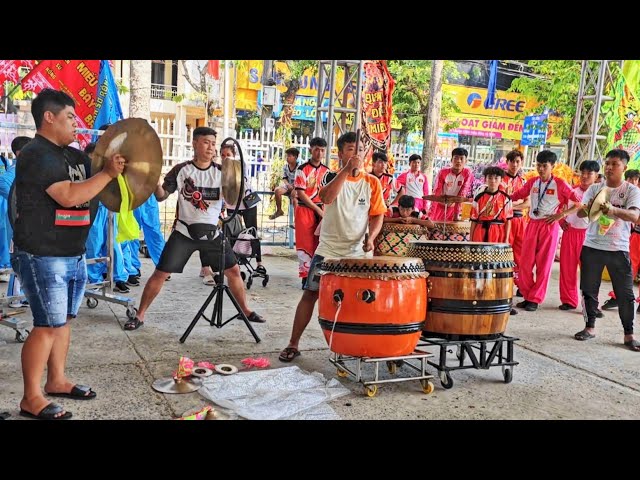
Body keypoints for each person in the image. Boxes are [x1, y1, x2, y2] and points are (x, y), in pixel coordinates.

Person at [11, 88, 124, 419]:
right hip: (43, 254)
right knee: (46, 324)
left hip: (72, 251)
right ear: (49, 117)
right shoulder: (35, 154)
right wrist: (106, 173)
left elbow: (102, 182)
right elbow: (68, 196)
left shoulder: (74, 156)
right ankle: (31, 398)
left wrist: (117, 162)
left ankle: (57, 379)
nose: (77, 123)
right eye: (70, 117)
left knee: (63, 322)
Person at [124, 126, 265, 330]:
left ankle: (245, 310)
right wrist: (154, 182)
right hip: (184, 232)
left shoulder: (222, 172)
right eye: (206, 142)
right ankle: (140, 315)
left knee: (233, 271)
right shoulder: (181, 170)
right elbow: (161, 196)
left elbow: (235, 198)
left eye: (213, 144)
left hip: (212, 233)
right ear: (195, 144)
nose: (211, 148)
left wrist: (235, 175)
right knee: (160, 273)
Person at [279, 131, 387, 362]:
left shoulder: (373, 183)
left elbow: (378, 215)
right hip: (328, 250)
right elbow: (326, 198)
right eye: (351, 149)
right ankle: (293, 343)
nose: (356, 153)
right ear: (340, 153)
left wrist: (372, 237)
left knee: (362, 299)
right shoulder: (329, 176)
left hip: (358, 252)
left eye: (360, 149)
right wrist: (347, 171)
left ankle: (359, 345)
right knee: (310, 294)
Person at [574, 149, 640, 352]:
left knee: (626, 294)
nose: (610, 167)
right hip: (592, 245)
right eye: (608, 163)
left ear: (624, 167)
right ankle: (589, 327)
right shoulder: (595, 188)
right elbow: (580, 212)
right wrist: (590, 207)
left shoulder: (631, 191)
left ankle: (629, 334)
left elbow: (634, 216)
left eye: (615, 164)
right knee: (588, 290)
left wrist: (613, 210)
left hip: (618, 248)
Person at [510, 150, 581, 312]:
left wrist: (561, 215)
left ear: (552, 166)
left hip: (549, 226)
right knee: (525, 263)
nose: (541, 169)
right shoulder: (532, 182)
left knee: (544, 263)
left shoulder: (561, 184)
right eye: (538, 165)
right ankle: (527, 295)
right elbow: (518, 195)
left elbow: (578, 202)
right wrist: (499, 193)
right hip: (532, 224)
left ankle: (535, 299)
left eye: (544, 166)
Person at [557, 161, 600, 311]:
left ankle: (589, 304)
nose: (585, 176)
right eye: (583, 172)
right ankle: (569, 300)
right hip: (570, 233)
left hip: (589, 237)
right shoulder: (571, 191)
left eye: (589, 173)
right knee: (567, 268)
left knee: (590, 272)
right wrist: (561, 221)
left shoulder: (599, 194)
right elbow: (558, 207)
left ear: (596, 176)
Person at [600, 169, 640, 311]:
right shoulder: (629, 193)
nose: (634, 182)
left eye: (636, 179)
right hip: (635, 236)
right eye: (632, 179)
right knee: (628, 268)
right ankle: (617, 297)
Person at [0, 136, 32, 306]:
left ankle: (22, 295)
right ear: (21, 152)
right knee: (17, 257)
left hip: (25, 220)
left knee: (26, 257)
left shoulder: (27, 167)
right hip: (16, 220)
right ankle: (14, 297)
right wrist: (17, 201)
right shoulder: (17, 167)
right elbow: (2, 183)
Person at [294, 137, 330, 286]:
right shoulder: (302, 169)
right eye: (316, 149)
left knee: (320, 243)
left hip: (322, 209)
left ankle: (318, 277)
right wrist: (317, 209)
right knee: (305, 242)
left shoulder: (327, 171)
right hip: (305, 208)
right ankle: (305, 277)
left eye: (322, 150)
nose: (319, 153)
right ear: (310, 150)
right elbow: (301, 193)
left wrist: (324, 211)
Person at [500, 150, 528, 296]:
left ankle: (521, 285)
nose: (515, 165)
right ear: (507, 162)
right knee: (505, 252)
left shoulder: (523, 181)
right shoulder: (500, 180)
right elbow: (498, 202)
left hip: (520, 221)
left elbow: (528, 203)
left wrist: (512, 206)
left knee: (521, 255)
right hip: (504, 222)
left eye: (518, 162)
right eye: (512, 161)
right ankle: (505, 284)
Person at [429, 147, 474, 221]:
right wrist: (431, 213)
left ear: (466, 161)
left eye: (461, 158)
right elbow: (436, 192)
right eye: (456, 158)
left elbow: (462, 194)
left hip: (454, 208)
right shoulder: (443, 172)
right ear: (451, 160)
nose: (458, 161)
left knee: (452, 231)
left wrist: (456, 215)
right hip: (439, 207)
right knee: (435, 229)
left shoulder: (467, 173)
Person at [470, 166, 513, 243]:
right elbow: (474, 220)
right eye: (490, 178)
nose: (493, 181)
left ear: (501, 180)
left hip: (498, 232)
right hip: (480, 231)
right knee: (479, 254)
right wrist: (470, 239)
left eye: (496, 178)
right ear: (485, 179)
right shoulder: (478, 198)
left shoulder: (506, 199)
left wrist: (506, 239)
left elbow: (508, 221)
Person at [269, 147, 299, 219]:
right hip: (288, 185)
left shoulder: (300, 167)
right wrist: (288, 185)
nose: (287, 158)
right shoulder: (286, 167)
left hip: (297, 186)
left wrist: (293, 187)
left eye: (289, 156)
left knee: (294, 197)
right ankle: (279, 210)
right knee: (277, 190)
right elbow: (284, 178)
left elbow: (300, 179)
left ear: (295, 157)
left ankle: (297, 219)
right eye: (286, 156)